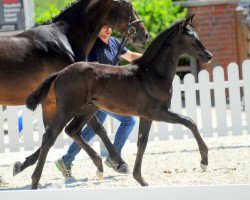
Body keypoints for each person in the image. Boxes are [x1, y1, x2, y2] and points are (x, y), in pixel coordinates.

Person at [55, 25, 142, 179]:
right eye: (103, 27)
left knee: (88, 132)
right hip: (97, 95)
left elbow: (131, 56)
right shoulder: (93, 45)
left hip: (109, 94)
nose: (107, 29)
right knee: (129, 121)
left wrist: (151, 56)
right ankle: (114, 158)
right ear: (98, 28)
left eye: (109, 27)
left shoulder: (115, 42)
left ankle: (66, 160)